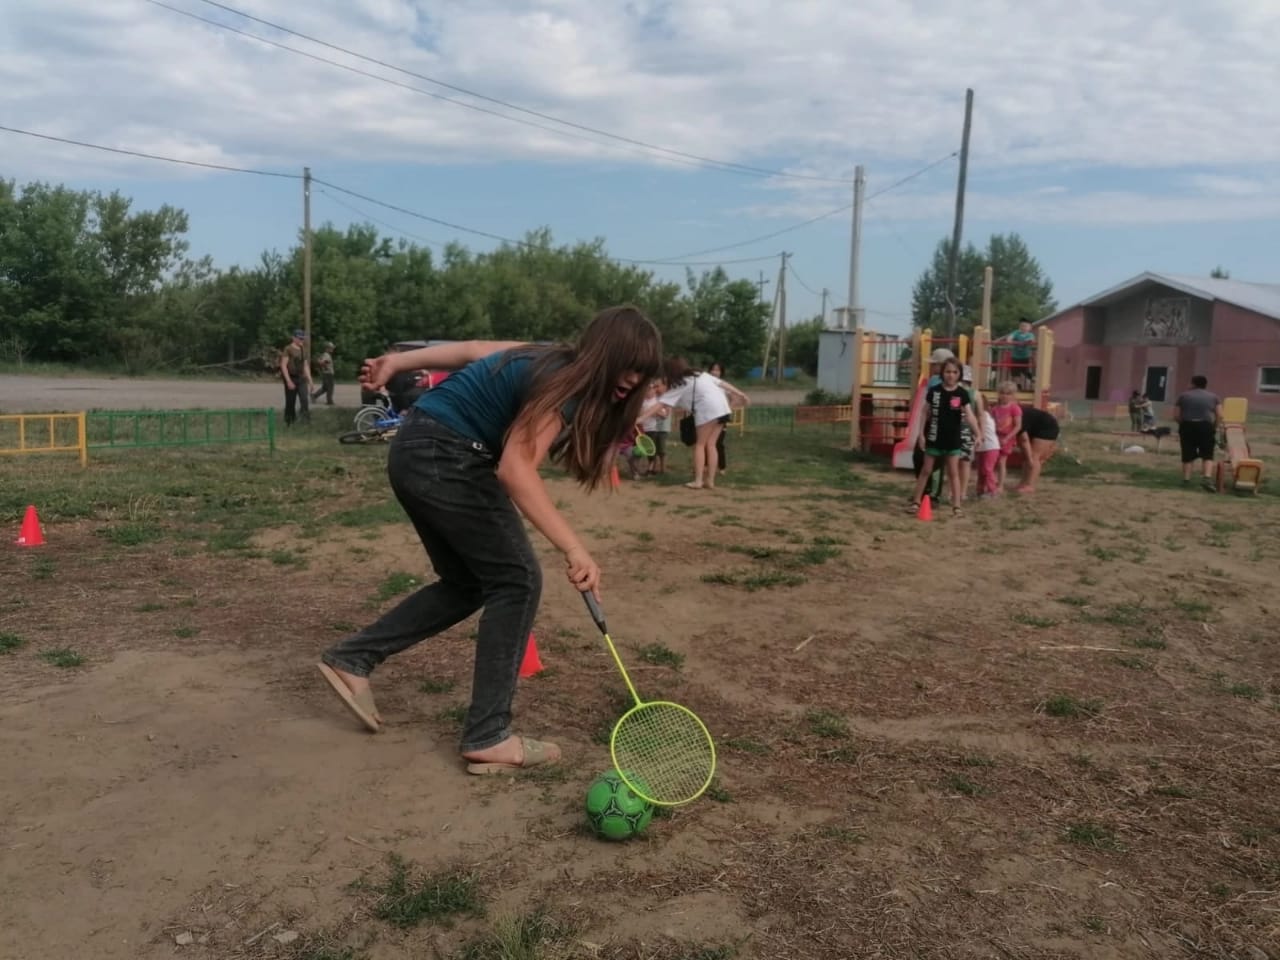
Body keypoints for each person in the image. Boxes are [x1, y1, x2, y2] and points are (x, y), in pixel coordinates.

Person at [317, 306, 663, 775]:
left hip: (416, 449)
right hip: (449, 456)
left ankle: (353, 658)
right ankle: (488, 736)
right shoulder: (565, 384)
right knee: (517, 579)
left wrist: (398, 362)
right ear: (602, 352)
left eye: (642, 372)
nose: (631, 378)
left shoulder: (548, 358)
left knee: (469, 582)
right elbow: (516, 469)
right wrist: (575, 548)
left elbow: (475, 350)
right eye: (626, 363)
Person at [649, 358, 750, 490]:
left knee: (700, 445)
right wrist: (740, 393)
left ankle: (698, 481)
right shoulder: (701, 374)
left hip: (708, 410)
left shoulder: (682, 383)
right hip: (723, 409)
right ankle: (710, 481)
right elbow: (722, 383)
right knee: (712, 445)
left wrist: (639, 419)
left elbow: (660, 404)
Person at [909, 357, 980, 517]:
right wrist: (921, 434)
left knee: (953, 473)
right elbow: (924, 412)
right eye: (948, 371)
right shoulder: (934, 391)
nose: (951, 375)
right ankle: (916, 502)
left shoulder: (962, 393)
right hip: (934, 438)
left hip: (953, 440)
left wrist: (978, 433)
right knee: (926, 470)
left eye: (955, 372)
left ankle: (957, 507)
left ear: (959, 374)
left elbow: (969, 415)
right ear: (942, 373)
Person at [1173, 375, 1223, 491]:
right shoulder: (1214, 397)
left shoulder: (1183, 396)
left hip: (1187, 426)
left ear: (1193, 384)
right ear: (1205, 384)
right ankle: (1207, 479)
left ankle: (1186, 480)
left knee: (1187, 453)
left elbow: (1176, 416)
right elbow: (1220, 415)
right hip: (1205, 426)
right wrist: (1214, 427)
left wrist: (1183, 424)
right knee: (1207, 454)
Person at [1016, 404, 1060, 493]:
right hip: (1032, 427)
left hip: (1047, 426)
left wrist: (1029, 457)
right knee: (1025, 456)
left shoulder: (1017, 419)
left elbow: (1024, 441)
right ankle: (1023, 483)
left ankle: (1030, 485)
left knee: (1034, 456)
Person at [991, 381, 1023, 491]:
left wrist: (1007, 438)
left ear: (1013, 395)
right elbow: (992, 423)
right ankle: (993, 481)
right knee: (992, 460)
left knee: (1001, 461)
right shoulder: (995, 409)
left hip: (1007, 438)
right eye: (1002, 393)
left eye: (1008, 393)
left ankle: (1000, 485)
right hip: (995, 437)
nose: (1005, 396)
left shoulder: (1014, 408)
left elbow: (1018, 426)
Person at [279, 330, 312, 426]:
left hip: (301, 378)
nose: (301, 340)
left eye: (302, 338)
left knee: (304, 399)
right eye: (299, 338)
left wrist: (310, 381)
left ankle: (305, 421)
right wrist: (288, 381)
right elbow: (283, 365)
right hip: (291, 377)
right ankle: (289, 422)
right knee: (290, 401)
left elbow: (305, 366)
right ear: (294, 338)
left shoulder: (303, 349)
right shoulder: (288, 349)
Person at [1009, 318, 1036, 390]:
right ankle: (1018, 385)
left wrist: (1027, 341)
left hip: (1024, 356)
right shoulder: (1016, 333)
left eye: (1025, 326)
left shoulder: (1030, 334)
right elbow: (1010, 338)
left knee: (1025, 370)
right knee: (1015, 373)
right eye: (1021, 326)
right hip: (1015, 356)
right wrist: (1010, 340)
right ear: (1019, 327)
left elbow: (1031, 340)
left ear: (1029, 328)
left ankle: (1032, 379)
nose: (1023, 328)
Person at [311, 341, 337, 405]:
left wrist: (322, 364)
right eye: (331, 348)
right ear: (327, 348)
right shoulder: (327, 355)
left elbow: (319, 360)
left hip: (326, 373)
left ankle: (314, 396)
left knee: (325, 388)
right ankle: (329, 401)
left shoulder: (324, 354)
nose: (332, 349)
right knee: (330, 387)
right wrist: (324, 364)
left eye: (332, 348)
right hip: (328, 374)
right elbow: (323, 362)